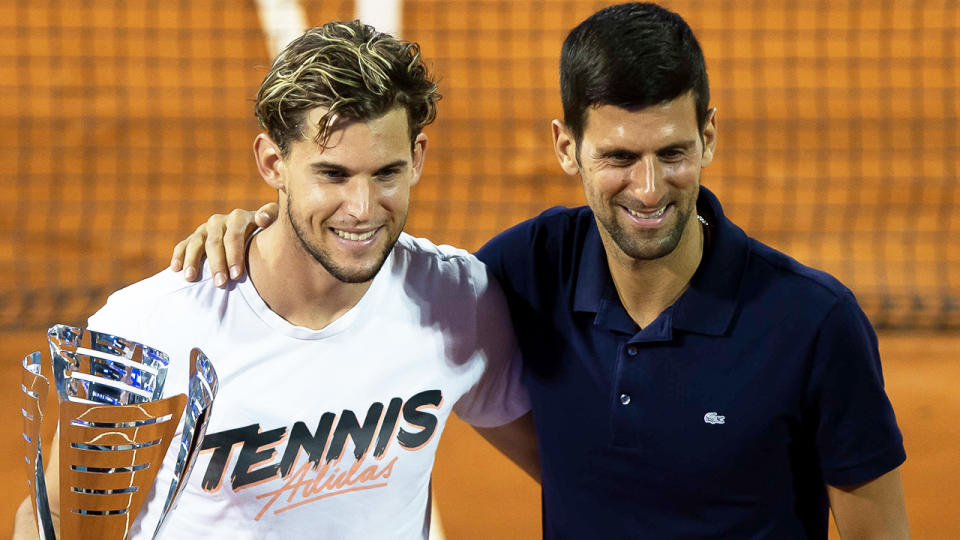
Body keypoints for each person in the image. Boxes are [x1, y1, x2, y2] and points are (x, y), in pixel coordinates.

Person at [170, 3, 910, 538]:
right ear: (566, 148)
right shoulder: (520, 276)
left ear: (709, 136)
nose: (649, 189)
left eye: (673, 152)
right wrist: (262, 225)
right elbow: (361, 260)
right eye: (618, 157)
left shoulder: (813, 324)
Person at [13, 21, 538, 540]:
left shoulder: (457, 300)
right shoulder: (152, 330)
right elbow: (57, 518)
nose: (361, 209)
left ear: (417, 159)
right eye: (332, 174)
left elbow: (574, 474)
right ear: (272, 162)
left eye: (386, 174)